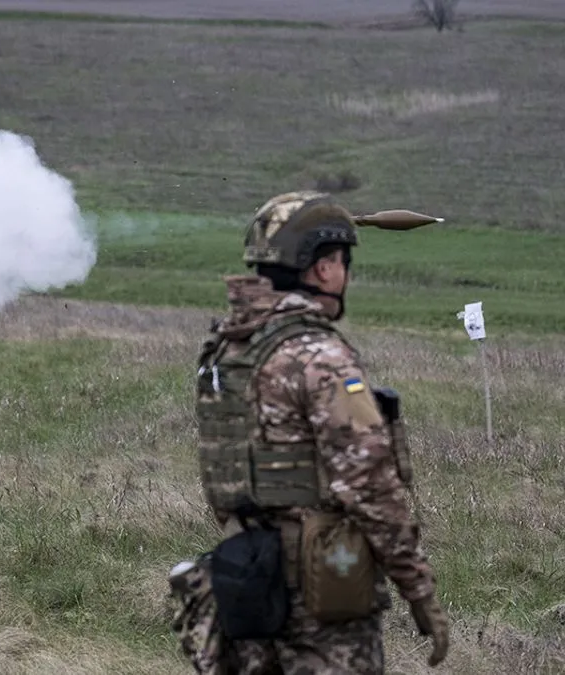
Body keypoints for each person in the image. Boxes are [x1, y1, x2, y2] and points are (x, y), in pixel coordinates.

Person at [170, 191, 450, 673]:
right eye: (343, 261)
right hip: (323, 592)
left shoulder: (228, 347)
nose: (345, 274)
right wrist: (418, 589)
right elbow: (371, 486)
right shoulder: (318, 356)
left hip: (245, 579)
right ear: (323, 269)